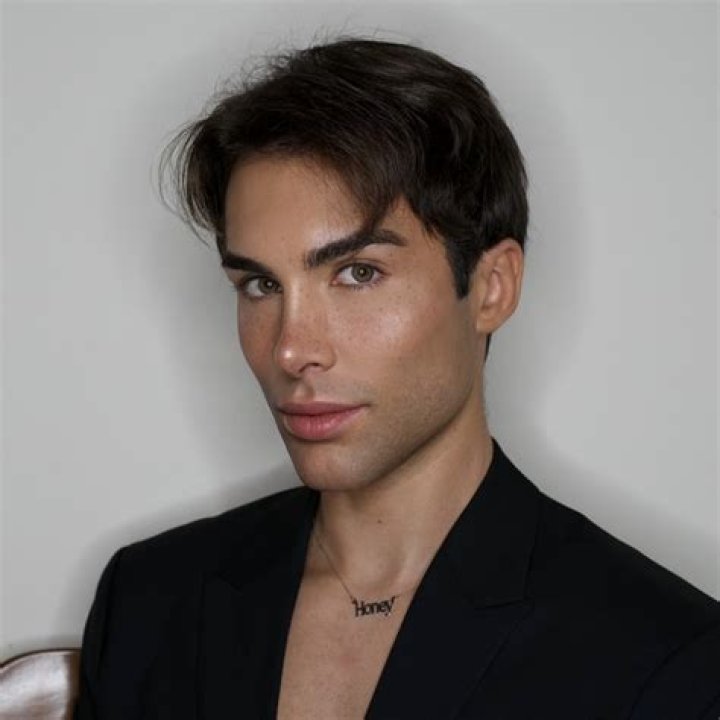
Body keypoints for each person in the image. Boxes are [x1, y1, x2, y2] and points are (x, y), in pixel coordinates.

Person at [74, 38, 720, 719]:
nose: (291, 349)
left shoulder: (668, 663)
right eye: (260, 284)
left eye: (358, 273)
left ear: (492, 287)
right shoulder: (148, 603)